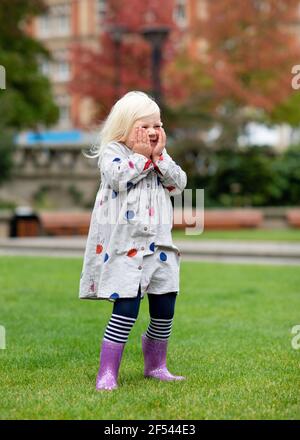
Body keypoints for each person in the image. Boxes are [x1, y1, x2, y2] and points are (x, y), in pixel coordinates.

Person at [79, 91, 187, 391]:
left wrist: (159, 157)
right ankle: (107, 372)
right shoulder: (113, 153)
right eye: (146, 125)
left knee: (165, 307)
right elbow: (117, 178)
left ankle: (156, 365)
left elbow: (179, 183)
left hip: (161, 249)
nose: (154, 131)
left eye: (158, 125)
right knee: (126, 308)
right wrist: (141, 157)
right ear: (125, 126)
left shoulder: (159, 159)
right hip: (126, 250)